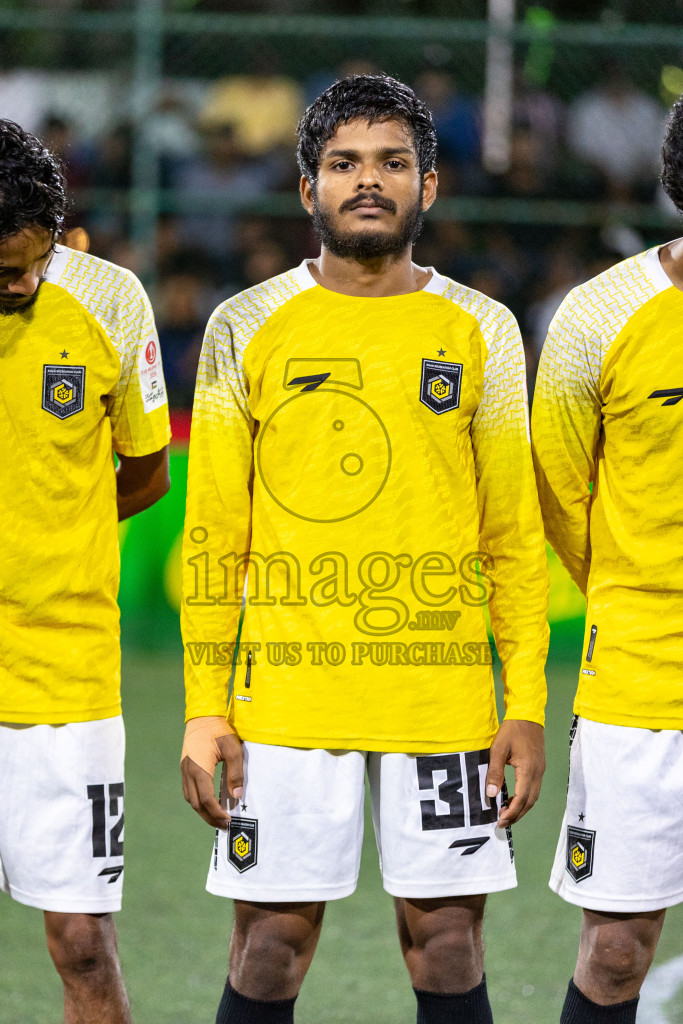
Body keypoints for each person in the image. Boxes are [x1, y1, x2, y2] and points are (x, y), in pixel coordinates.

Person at [181, 74, 548, 1024]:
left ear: (429, 187)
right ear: (308, 189)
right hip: (290, 695)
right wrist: (201, 711)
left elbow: (510, 534)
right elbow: (216, 535)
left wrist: (528, 706)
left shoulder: (483, 330)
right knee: (269, 947)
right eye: (343, 164)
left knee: (449, 945)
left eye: (393, 163)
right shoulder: (244, 323)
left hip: (441, 691)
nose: (368, 181)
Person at [0, 119, 170, 1024]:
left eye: (35, 262)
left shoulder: (110, 298)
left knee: (81, 943)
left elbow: (145, 471)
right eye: (1, 272)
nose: (22, 284)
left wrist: (54, 529)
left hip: (64, 674)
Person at [531, 95, 683, 1024]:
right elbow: (557, 492)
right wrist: (631, 592)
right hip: (640, 675)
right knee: (618, 950)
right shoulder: (601, 313)